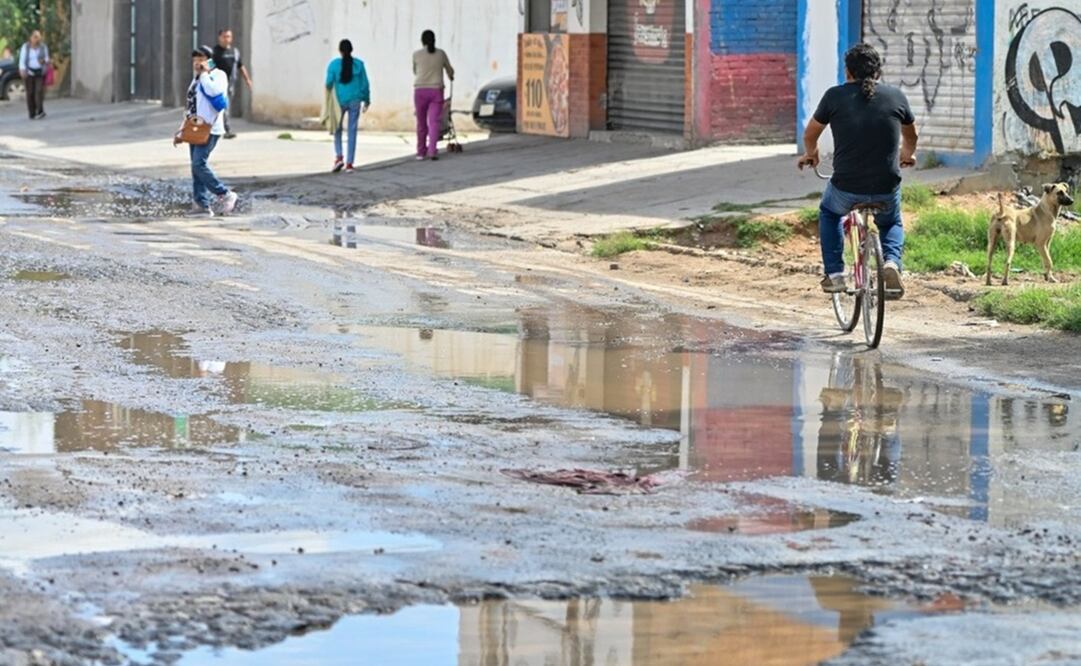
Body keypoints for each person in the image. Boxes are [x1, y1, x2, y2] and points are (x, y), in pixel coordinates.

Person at [797, 43, 918, 298]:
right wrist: (907, 155)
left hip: (846, 187)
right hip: (886, 186)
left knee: (829, 213)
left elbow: (810, 135)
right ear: (878, 72)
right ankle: (892, 264)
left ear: (848, 72)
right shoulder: (896, 96)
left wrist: (811, 154)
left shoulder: (834, 96)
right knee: (891, 221)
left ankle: (836, 274)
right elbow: (912, 135)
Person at [174, 46, 238, 217]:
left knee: (198, 164)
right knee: (196, 167)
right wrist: (182, 130)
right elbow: (191, 105)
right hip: (195, 128)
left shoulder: (218, 75)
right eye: (195, 59)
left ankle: (224, 194)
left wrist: (204, 73)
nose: (197, 62)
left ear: (209, 60)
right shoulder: (195, 79)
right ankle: (201, 205)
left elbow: (213, 91)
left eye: (201, 58)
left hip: (210, 128)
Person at [325, 39, 371, 174]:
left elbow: (328, 83)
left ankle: (339, 157)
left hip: (339, 101)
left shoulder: (333, 65)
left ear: (340, 51)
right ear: (351, 50)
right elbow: (365, 85)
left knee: (337, 129)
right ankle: (350, 164)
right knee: (352, 131)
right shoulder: (359, 65)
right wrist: (366, 100)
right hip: (355, 101)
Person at [412, 30, 454, 161]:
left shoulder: (416, 55)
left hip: (420, 91)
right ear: (434, 40)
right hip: (436, 90)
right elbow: (449, 70)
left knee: (421, 122)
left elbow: (415, 71)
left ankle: (420, 151)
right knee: (434, 122)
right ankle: (432, 151)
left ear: (422, 41)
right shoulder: (441, 54)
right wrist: (451, 76)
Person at [212, 28, 252, 139]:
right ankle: (226, 130)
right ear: (219, 38)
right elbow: (208, 67)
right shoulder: (214, 52)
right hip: (218, 85)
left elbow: (241, 66)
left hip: (230, 85)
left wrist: (247, 79)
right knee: (224, 107)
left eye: (228, 36)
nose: (226, 39)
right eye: (224, 36)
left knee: (224, 108)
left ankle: (219, 129)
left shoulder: (234, 52)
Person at [18, 30, 50, 120]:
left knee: (39, 91)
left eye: (38, 37)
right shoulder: (26, 47)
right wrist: (22, 69)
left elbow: (47, 58)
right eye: (35, 37)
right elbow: (22, 59)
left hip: (40, 72)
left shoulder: (43, 47)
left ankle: (40, 111)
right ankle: (32, 113)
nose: (37, 39)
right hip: (29, 72)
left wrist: (44, 61)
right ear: (31, 38)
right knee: (30, 93)